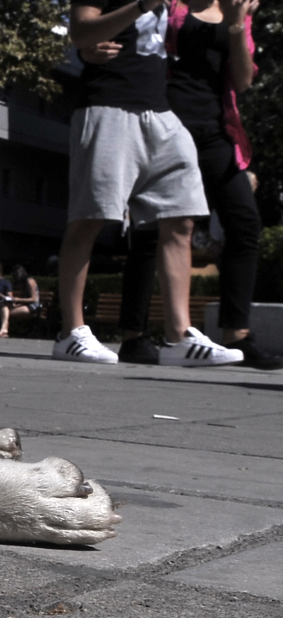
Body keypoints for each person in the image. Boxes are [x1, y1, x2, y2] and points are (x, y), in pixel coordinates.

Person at [57, 0, 241, 366]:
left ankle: (179, 337)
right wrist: (139, 6)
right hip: (108, 105)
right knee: (89, 219)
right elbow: (81, 32)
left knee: (182, 218)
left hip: (160, 113)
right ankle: (70, 333)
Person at [165, 0, 280, 367]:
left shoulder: (236, 13)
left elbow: (244, 81)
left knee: (245, 223)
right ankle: (151, 335)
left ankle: (237, 334)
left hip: (217, 131)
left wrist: (236, 23)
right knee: (169, 224)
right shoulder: (172, 9)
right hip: (169, 124)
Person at [1, 265, 43, 337]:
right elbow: (25, 298)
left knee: (8, 313)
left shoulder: (29, 281)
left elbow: (34, 298)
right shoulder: (22, 283)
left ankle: (5, 331)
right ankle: (4, 330)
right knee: (5, 309)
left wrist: (18, 299)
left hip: (33, 307)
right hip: (26, 304)